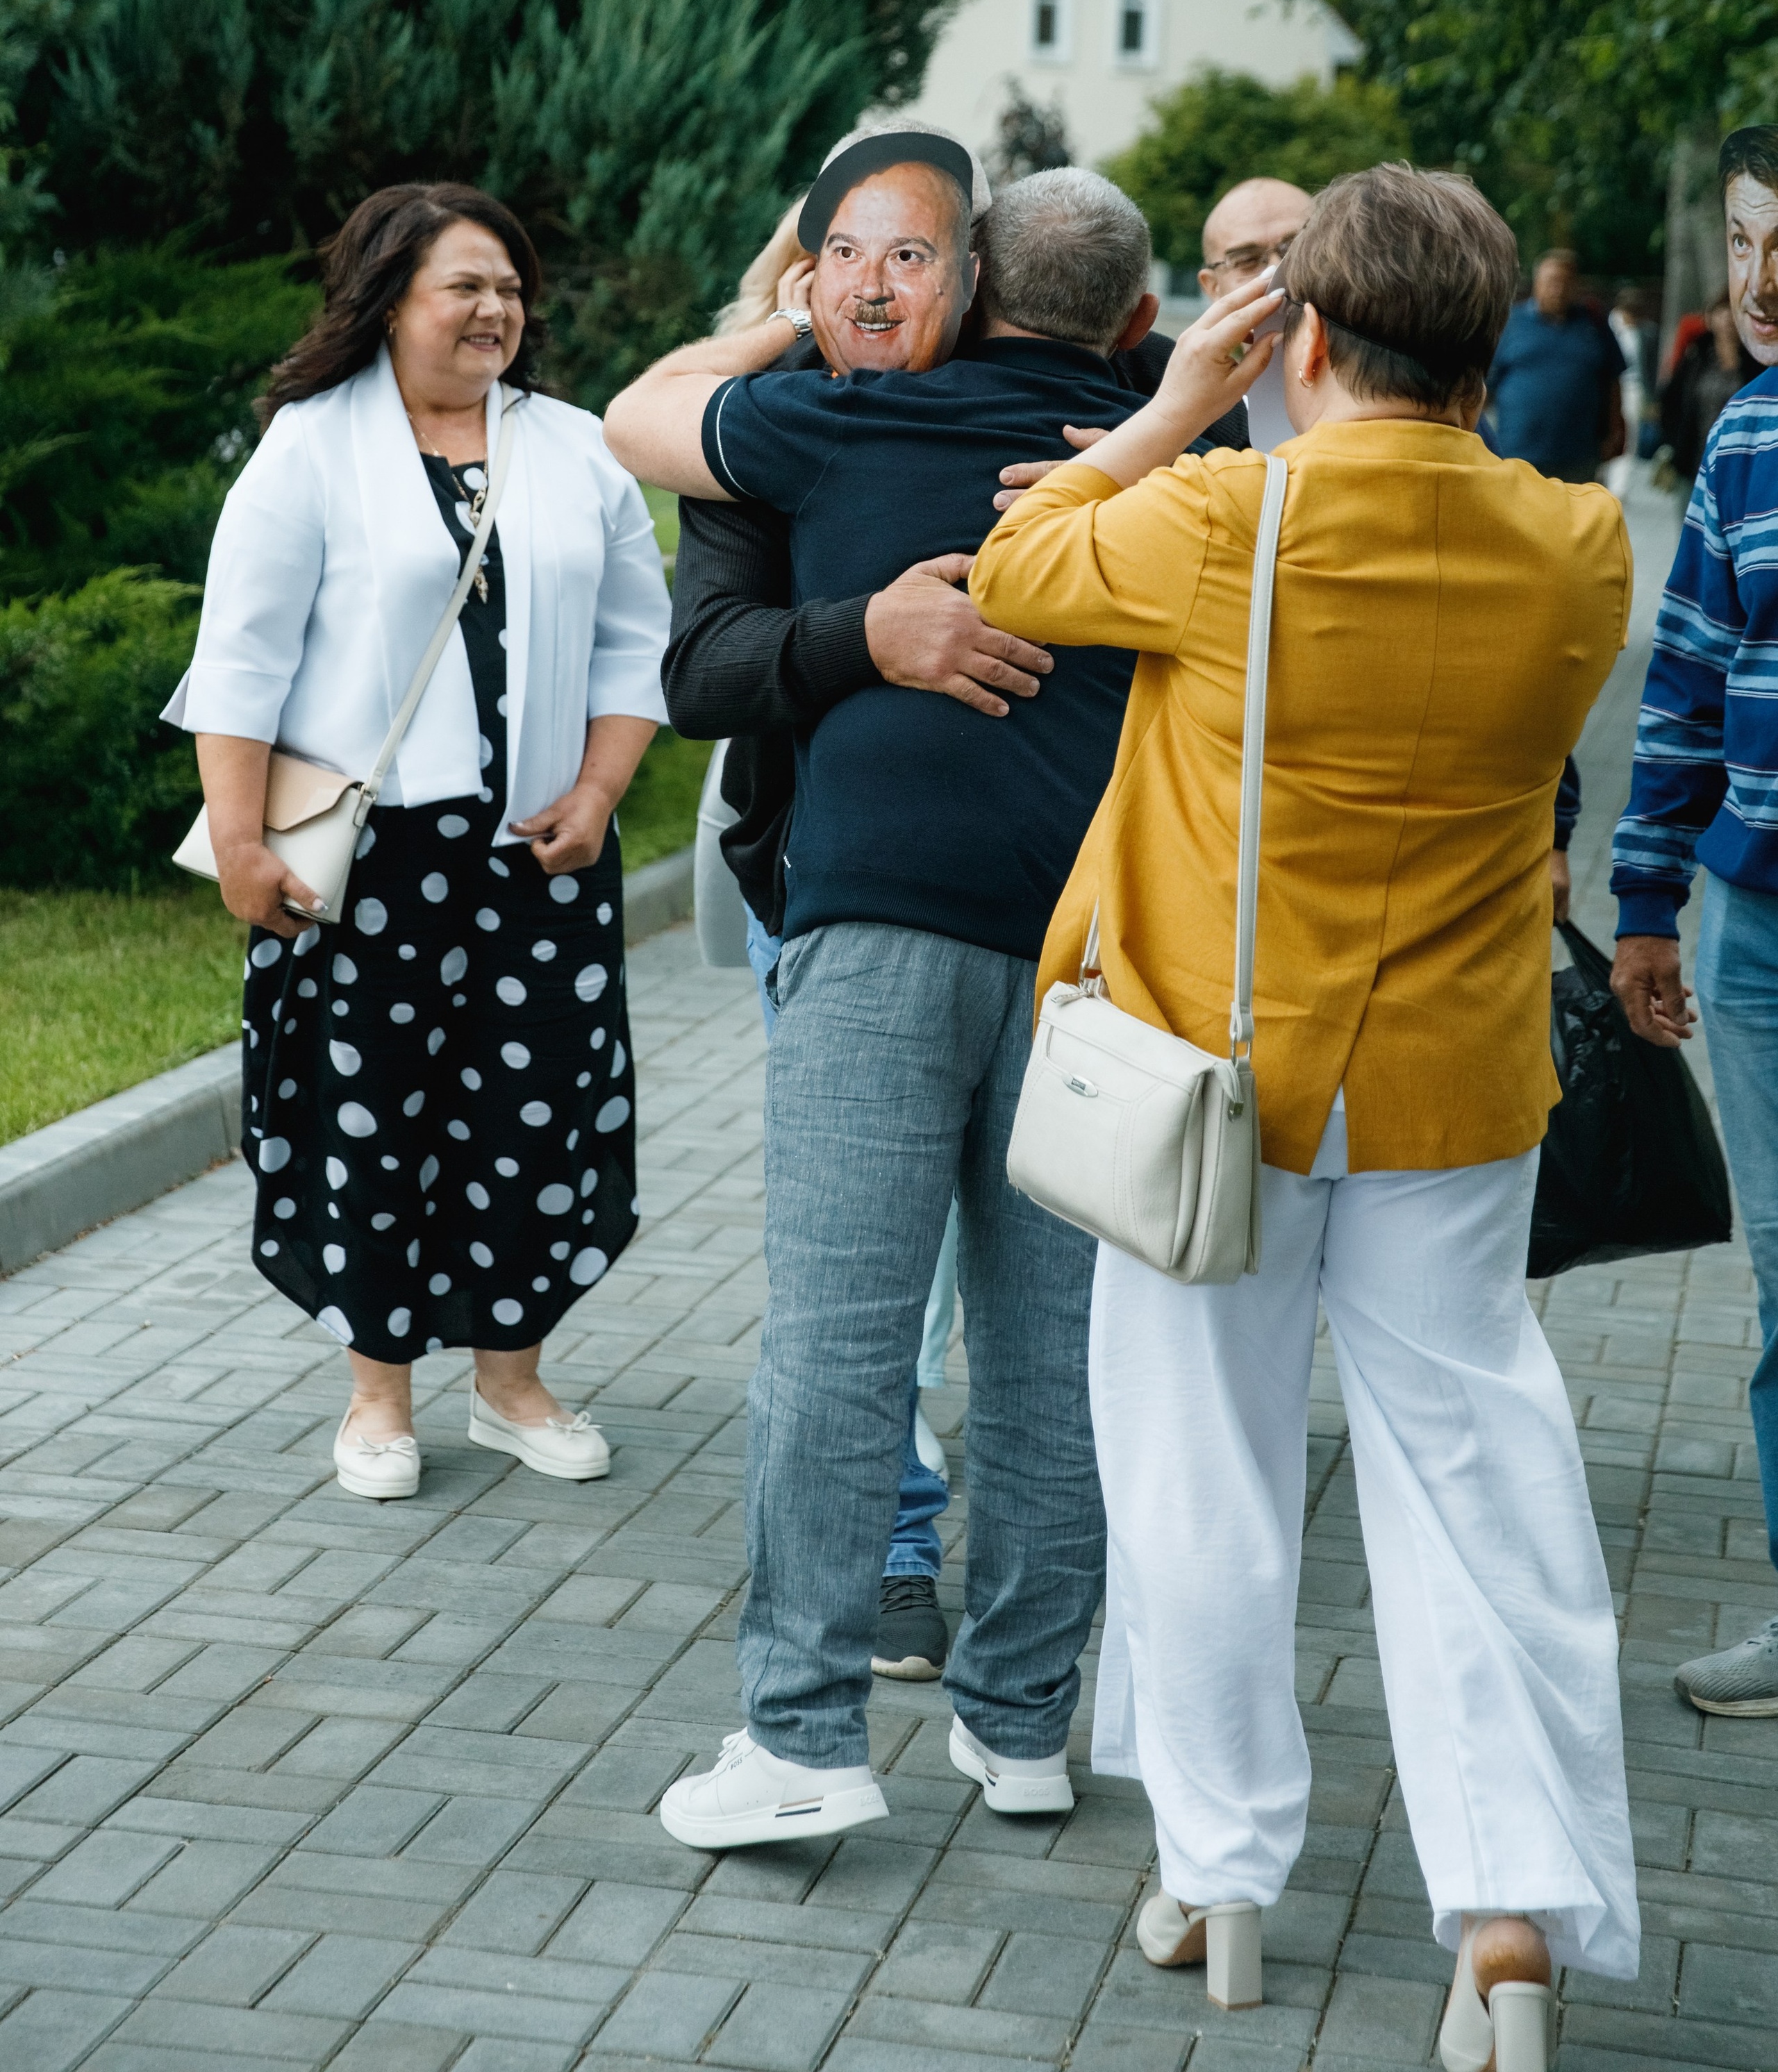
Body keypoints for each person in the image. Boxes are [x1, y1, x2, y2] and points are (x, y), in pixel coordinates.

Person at [972, 163, 1638, 2060]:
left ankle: (1222, 1872)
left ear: (1305, 335)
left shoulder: (1219, 512)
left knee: (1198, 1469)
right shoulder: (1578, 539)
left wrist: (1177, 403)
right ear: (1486, 350)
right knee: (1478, 1479)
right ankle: (1507, 1917)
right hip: (1455, 1080)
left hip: (1213, 1078)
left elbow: (1012, 568)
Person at [606, 141, 1279, 1850]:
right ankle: (1021, 1725)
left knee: (840, 1341)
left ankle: (801, 1738)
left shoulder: (835, 422)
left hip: (887, 925)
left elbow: (631, 417)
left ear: (970, 286)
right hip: (1097, 956)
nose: (873, 286)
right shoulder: (1184, 452)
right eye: (847, 256)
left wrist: (772, 325)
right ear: (1134, 312)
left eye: (907, 258)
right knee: (1055, 1358)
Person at [165, 183, 671, 1500]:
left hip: (541, 857)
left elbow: (636, 641)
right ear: (391, 299)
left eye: (509, 288)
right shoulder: (311, 448)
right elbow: (240, 660)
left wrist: (601, 792)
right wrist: (239, 844)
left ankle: (512, 1385)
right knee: (373, 1117)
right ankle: (377, 1399)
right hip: (373, 862)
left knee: (535, 1116)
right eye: (466, 286)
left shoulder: (573, 448)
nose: (496, 309)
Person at [1611, 124, 1778, 1716]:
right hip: (1750, 926)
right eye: (1738, 239)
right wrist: (1645, 900)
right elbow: (1678, 688)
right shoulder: (1741, 435)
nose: (1757, 278)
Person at [1485, 247, 1627, 480]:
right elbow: (1484, 385)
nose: (1558, 289)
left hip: (1579, 457)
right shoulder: (1510, 323)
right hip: (1517, 455)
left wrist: (1615, 431)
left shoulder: (1595, 325)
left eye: (1566, 282)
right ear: (1537, 283)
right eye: (1552, 281)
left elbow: (1613, 380)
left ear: (1577, 286)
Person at [1197, 176, 1313, 452]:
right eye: (1247, 260)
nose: (1275, 271)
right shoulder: (1193, 431)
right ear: (1212, 287)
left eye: (1296, 248)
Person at [1658, 290, 1759, 486]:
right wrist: (1673, 443)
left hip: (1740, 460)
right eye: (1722, 312)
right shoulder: (1697, 356)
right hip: (1694, 457)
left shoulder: (1758, 363)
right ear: (1709, 318)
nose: (1728, 319)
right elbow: (1671, 400)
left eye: (1734, 312)